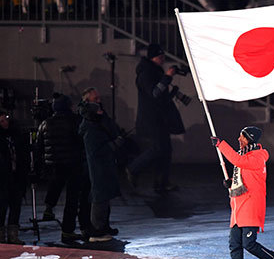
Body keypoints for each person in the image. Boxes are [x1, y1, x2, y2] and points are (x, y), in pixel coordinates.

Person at [210, 126, 274, 259]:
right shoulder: (245, 155)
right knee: (234, 243)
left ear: (251, 139)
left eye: (242, 137)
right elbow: (243, 175)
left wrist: (221, 145)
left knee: (249, 243)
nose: (239, 139)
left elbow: (239, 161)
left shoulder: (258, 156)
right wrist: (231, 184)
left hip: (251, 204)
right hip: (239, 205)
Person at [126, 44, 185, 194]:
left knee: (166, 150)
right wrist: (168, 76)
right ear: (154, 57)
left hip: (160, 117)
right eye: (161, 57)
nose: (163, 60)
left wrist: (173, 93)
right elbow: (155, 93)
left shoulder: (154, 71)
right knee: (158, 149)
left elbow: (160, 96)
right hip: (152, 119)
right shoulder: (146, 73)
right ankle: (133, 168)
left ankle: (161, 183)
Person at [37, 93, 91, 243]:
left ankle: (49, 207)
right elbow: (81, 140)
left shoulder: (45, 123)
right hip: (73, 163)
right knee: (72, 199)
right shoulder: (75, 121)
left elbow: (39, 147)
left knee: (55, 184)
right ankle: (68, 231)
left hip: (54, 163)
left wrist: (38, 167)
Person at [78, 88, 122, 242]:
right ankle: (96, 231)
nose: (99, 101)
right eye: (95, 99)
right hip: (98, 164)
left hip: (104, 162)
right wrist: (112, 145)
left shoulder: (96, 118)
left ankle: (103, 226)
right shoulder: (90, 123)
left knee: (105, 194)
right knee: (100, 194)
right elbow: (95, 148)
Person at [0, 110, 28, 245]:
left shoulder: (15, 135)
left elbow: (22, 153)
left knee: (15, 205)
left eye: (5, 120)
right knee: (2, 206)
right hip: (4, 177)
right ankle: (3, 235)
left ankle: (12, 235)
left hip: (15, 175)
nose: (4, 123)